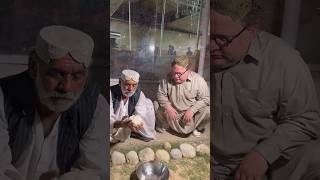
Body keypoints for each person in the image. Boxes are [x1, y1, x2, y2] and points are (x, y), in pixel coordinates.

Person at [211, 0, 320, 179]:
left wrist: (263, 155)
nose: (212, 47)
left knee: (315, 156)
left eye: (222, 39)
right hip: (214, 163)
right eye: (208, 36)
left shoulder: (284, 60)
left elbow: (306, 119)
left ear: (251, 30)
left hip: (266, 161)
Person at [0, 25, 107, 180]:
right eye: (56, 73)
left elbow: (94, 171)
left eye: (77, 76)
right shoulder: (3, 98)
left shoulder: (95, 107)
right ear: (33, 67)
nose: (66, 87)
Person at [154, 55, 210, 137]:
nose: (175, 76)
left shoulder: (199, 80)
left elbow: (206, 98)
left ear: (189, 71)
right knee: (155, 104)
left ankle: (197, 128)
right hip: (173, 114)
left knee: (208, 110)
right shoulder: (166, 78)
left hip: (190, 116)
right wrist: (168, 107)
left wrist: (192, 110)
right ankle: (166, 125)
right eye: (174, 73)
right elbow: (160, 94)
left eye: (179, 74)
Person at [110, 69, 156, 143]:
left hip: (128, 122)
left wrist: (136, 122)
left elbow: (141, 113)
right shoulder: (110, 93)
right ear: (120, 82)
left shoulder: (139, 94)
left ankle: (134, 132)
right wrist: (121, 124)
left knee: (148, 103)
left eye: (134, 85)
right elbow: (108, 118)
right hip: (114, 125)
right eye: (127, 84)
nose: (130, 89)